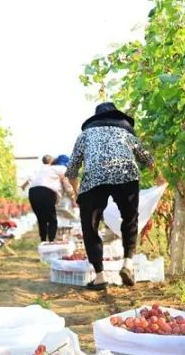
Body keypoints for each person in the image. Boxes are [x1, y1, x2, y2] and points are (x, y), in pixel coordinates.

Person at [65, 102, 155, 290]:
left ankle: (99, 277)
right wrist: (161, 178)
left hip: (94, 178)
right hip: (126, 173)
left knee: (90, 226)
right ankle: (128, 263)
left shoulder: (85, 135)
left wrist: (77, 193)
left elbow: (72, 169)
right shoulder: (126, 133)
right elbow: (146, 158)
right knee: (130, 219)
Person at [21, 154, 76, 243]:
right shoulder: (61, 168)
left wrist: (23, 186)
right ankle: (51, 242)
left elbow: (29, 180)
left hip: (33, 192)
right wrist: (73, 198)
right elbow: (67, 185)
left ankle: (43, 241)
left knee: (41, 219)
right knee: (52, 220)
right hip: (46, 192)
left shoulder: (43, 169)